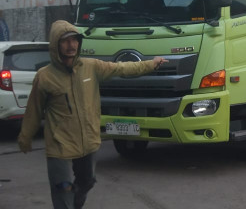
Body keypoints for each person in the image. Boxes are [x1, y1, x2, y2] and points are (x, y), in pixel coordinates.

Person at [18, 20, 168, 209]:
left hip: (87, 141)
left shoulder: (91, 67)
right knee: (62, 190)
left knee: (87, 181)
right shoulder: (45, 76)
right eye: (65, 41)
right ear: (56, 44)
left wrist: (151, 64)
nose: (71, 45)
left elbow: (122, 68)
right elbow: (34, 109)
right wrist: (25, 136)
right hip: (60, 144)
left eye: (74, 40)